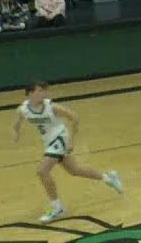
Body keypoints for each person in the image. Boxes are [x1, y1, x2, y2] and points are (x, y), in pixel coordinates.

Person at [12, 81, 123, 223]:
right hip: (49, 142)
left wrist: (71, 141)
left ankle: (57, 207)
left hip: (60, 138)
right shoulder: (23, 109)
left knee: (42, 171)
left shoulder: (52, 107)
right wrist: (16, 132)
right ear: (30, 93)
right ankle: (108, 177)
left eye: (44, 91)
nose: (43, 93)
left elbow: (75, 118)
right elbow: (18, 122)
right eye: (39, 91)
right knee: (75, 170)